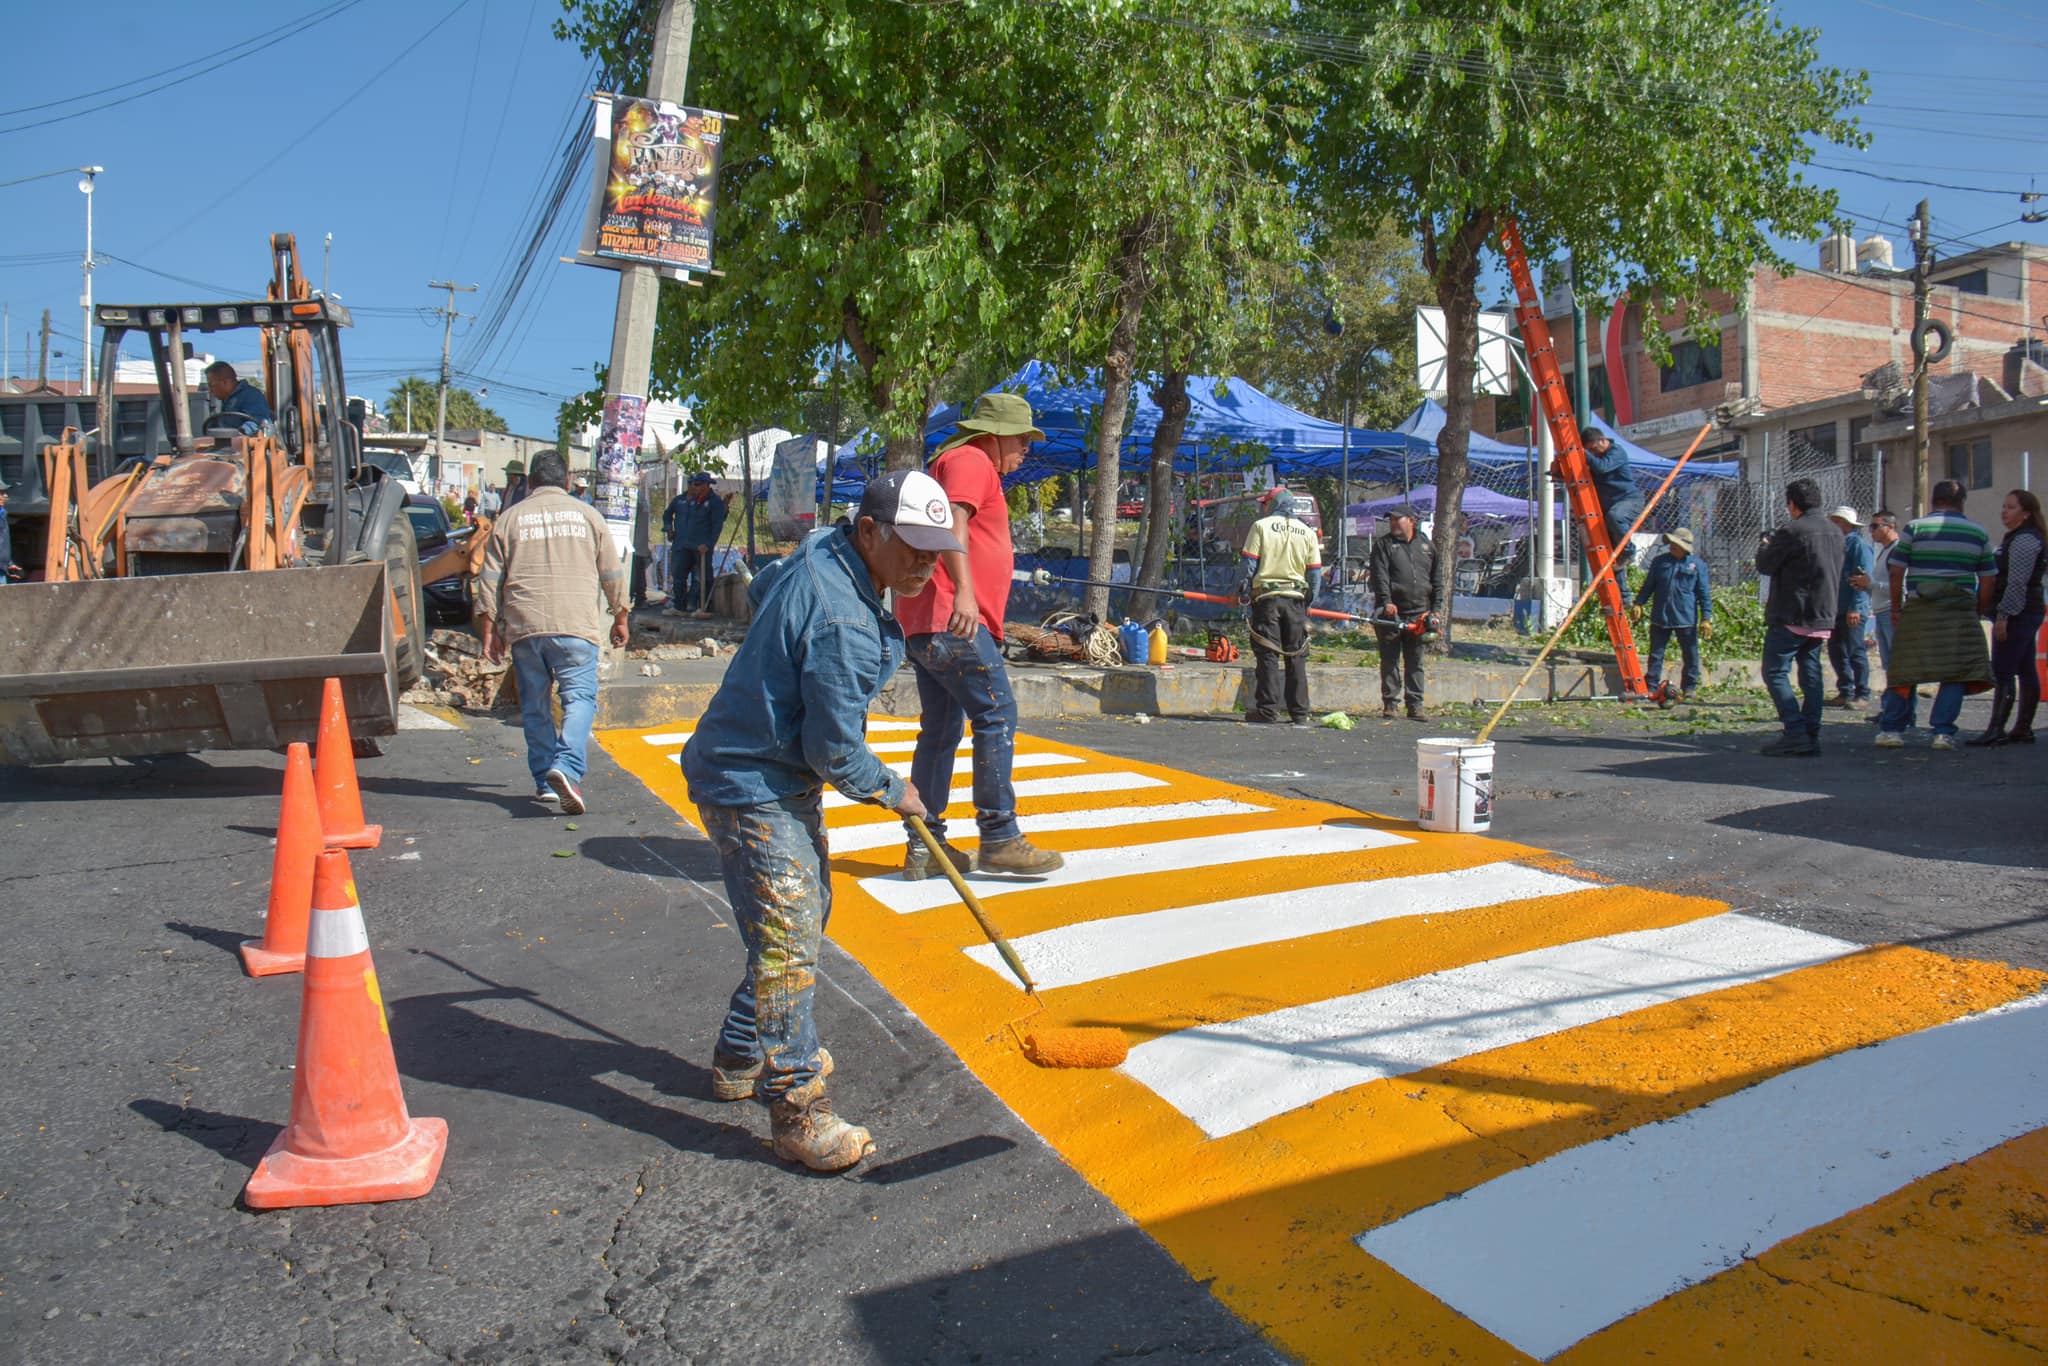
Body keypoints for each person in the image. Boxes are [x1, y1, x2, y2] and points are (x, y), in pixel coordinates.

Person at [680, 470, 962, 1172]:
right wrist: (898, 791)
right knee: (788, 939)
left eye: (936, 549)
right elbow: (833, 748)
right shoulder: (841, 617)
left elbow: (767, 589)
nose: (927, 564)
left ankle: (741, 1053)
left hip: (770, 768)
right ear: (869, 531)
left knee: (801, 915)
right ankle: (797, 1107)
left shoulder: (827, 552)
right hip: (751, 779)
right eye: (914, 549)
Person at [897, 393, 1064, 879]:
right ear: (993, 435)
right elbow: (954, 523)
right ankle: (999, 835)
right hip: (954, 617)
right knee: (997, 712)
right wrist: (966, 594)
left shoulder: (953, 461)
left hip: (929, 620)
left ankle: (927, 845)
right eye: (1021, 438)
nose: (1025, 449)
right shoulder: (971, 460)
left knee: (942, 729)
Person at [476, 449, 630, 814]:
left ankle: (546, 781)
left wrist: (488, 627)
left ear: (530, 482)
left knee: (535, 707)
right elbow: (612, 571)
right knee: (579, 701)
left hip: (525, 627)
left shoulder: (509, 519)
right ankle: (567, 767)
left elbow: (490, 578)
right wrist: (621, 615)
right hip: (575, 626)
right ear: (565, 481)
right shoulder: (589, 516)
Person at [1875, 480, 1995, 751]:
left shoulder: (1914, 528)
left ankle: (1892, 730)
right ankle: (1942, 733)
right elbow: (1988, 579)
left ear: (1933, 500)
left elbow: (1896, 572)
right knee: (1954, 671)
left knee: (1905, 669)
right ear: (1962, 502)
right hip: (1960, 609)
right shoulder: (1978, 532)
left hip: (1920, 608)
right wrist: (1977, 611)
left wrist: (1896, 607)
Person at [1755, 478, 1844, 757]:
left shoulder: (1792, 530)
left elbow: (1766, 565)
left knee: (1775, 671)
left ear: (1793, 505)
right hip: (1823, 615)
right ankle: (1810, 731)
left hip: (1792, 613)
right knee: (1811, 674)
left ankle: (1795, 731)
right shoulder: (1836, 531)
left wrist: (1765, 545)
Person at [1239, 487, 1324, 726]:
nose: (1263, 507)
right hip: (1296, 600)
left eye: (1265, 503)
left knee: (1268, 655)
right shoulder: (1307, 532)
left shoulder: (1261, 527)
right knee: (1296, 655)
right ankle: (1299, 712)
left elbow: (1248, 565)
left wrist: (1241, 592)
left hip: (1267, 599)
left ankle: (1267, 710)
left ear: (1273, 504)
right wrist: (1309, 601)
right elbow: (1315, 574)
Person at [1967, 488, 2045, 747]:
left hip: (2019, 612)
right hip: (2023, 611)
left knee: (2003, 670)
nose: (2004, 511)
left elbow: (2017, 583)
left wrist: (2004, 616)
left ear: (2025, 513)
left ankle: (1996, 729)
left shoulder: (2024, 541)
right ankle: (2021, 728)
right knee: (2023, 668)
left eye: (2010, 507)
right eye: (2004, 505)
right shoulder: (2017, 538)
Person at [1368, 505, 1439, 720]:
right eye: (1391, 520)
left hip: (1419, 613)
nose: (1393, 524)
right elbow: (1379, 576)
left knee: (1415, 660)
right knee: (1389, 660)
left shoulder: (1426, 545)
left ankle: (1415, 705)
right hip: (1391, 613)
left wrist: (1436, 609)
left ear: (1411, 521)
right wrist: (1386, 601)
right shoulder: (1384, 545)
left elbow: (1437, 579)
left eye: (1398, 519)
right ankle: (1390, 703)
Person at [1631, 527, 1712, 700]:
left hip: (1686, 618)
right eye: (1672, 543)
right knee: (1656, 654)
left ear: (1685, 547)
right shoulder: (1660, 562)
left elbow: (1704, 593)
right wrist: (1639, 603)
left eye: (1677, 544)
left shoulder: (1697, 565)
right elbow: (1649, 585)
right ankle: (1651, 687)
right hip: (1660, 616)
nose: (1672, 547)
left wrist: (1706, 618)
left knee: (1690, 654)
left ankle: (1689, 687)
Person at [1826, 506, 1875, 708]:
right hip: (1836, 607)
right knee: (1836, 649)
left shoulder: (1858, 546)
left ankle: (1862, 693)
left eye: (1837, 521)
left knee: (1855, 650)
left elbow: (1862, 580)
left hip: (1852, 608)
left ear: (1846, 524)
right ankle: (1845, 691)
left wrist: (1856, 607)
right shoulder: (1836, 546)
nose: (1833, 525)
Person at [664, 471, 726, 617]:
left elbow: (717, 525)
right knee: (679, 574)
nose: (695, 488)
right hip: (685, 544)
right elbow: (672, 516)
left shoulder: (714, 502)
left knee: (702, 578)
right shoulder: (689, 501)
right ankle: (679, 606)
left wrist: (709, 544)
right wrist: (670, 530)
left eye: (698, 485)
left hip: (702, 546)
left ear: (706, 485)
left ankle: (704, 607)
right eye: (693, 485)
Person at [1580, 425, 1643, 565]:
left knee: (1616, 517)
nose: (1593, 453)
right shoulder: (1596, 458)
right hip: (1609, 507)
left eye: (1594, 449)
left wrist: (1585, 454)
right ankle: (1621, 585)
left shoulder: (1617, 452)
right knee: (1611, 552)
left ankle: (1628, 550)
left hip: (1629, 500)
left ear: (1602, 440)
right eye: (1589, 450)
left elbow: (1603, 467)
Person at [1858, 511, 1900, 678]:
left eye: (1875, 526)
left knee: (1896, 664)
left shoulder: (1897, 551)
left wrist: (1871, 584)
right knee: (1889, 664)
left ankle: (1902, 702)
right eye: (1871, 526)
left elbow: (1899, 587)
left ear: (1890, 527)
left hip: (1891, 611)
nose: (1871, 531)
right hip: (1881, 611)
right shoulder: (1884, 551)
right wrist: (1865, 585)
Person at [203, 361, 272, 432]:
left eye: (211, 385)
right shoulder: (227, 400)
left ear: (225, 382)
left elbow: (258, 422)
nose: (210, 390)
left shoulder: (251, 395)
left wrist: (240, 433)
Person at [630, 478, 653, 612]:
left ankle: (639, 598)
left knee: (636, 573)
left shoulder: (635, 497)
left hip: (635, 544)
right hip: (640, 543)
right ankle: (640, 597)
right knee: (639, 573)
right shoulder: (641, 498)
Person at [0, 476, 19, 582]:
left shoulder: (2, 514)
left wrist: (8, 562)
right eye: (1, 493)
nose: (5, 496)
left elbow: (3, 544)